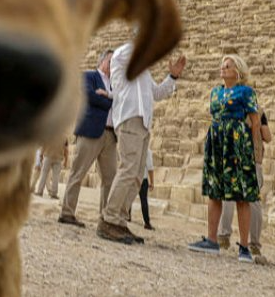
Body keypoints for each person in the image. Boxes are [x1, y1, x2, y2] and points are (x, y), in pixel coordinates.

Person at [97, 40, 186, 245]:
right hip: (129, 118)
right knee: (128, 169)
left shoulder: (144, 73)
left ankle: (118, 221)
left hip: (143, 124)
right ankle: (109, 218)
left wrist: (172, 76)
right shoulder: (121, 56)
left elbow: (158, 93)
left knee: (137, 175)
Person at [188, 55, 260, 263]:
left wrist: (254, 151)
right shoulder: (215, 92)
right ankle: (212, 240)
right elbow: (214, 115)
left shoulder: (246, 92)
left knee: (242, 195)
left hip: (237, 143)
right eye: (221, 65)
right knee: (214, 190)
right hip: (217, 141)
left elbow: (254, 122)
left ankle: (244, 247)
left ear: (238, 70)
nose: (222, 68)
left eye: (227, 66)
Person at [59, 50, 118, 228]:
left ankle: (106, 218)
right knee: (78, 173)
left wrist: (107, 96)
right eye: (110, 60)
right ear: (101, 61)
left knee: (110, 178)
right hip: (91, 131)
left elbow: (121, 102)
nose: (113, 64)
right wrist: (111, 101)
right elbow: (90, 96)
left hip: (110, 134)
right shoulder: (89, 76)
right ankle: (67, 212)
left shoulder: (115, 84)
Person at [216, 109, 272, 261]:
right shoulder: (258, 113)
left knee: (228, 196)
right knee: (253, 201)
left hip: (231, 157)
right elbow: (267, 137)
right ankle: (253, 244)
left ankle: (223, 236)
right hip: (253, 160)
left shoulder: (227, 108)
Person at [136, 148, 155, 230]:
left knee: (128, 197)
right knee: (144, 201)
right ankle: (146, 223)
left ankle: (127, 216)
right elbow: (150, 168)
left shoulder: (134, 147)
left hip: (132, 176)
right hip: (143, 178)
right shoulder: (147, 151)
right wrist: (152, 182)